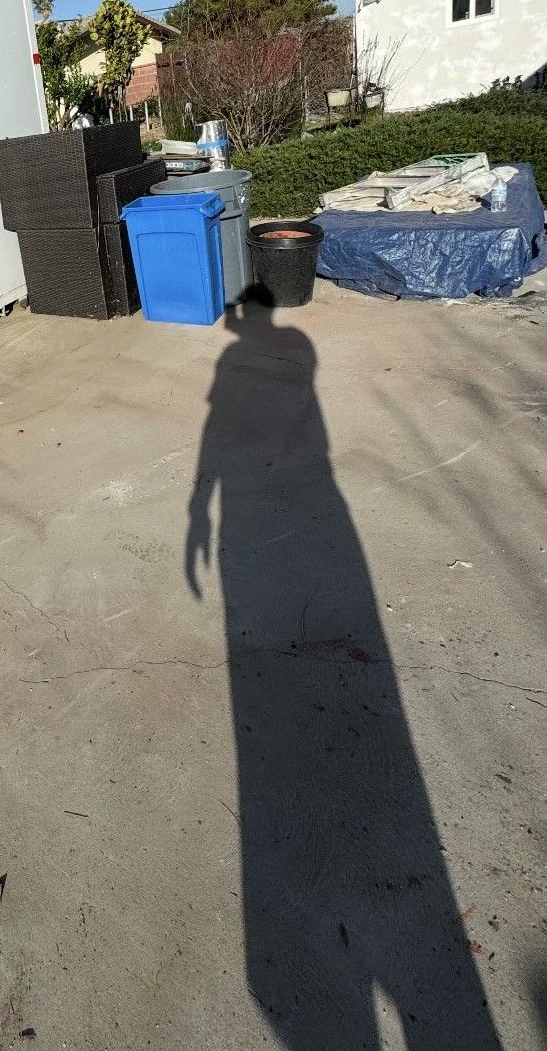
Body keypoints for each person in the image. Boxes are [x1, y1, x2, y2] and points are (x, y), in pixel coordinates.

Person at [186, 305, 501, 1050]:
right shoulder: (284, 349)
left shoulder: (260, 356)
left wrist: (203, 503)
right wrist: (205, 502)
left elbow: (228, 432)